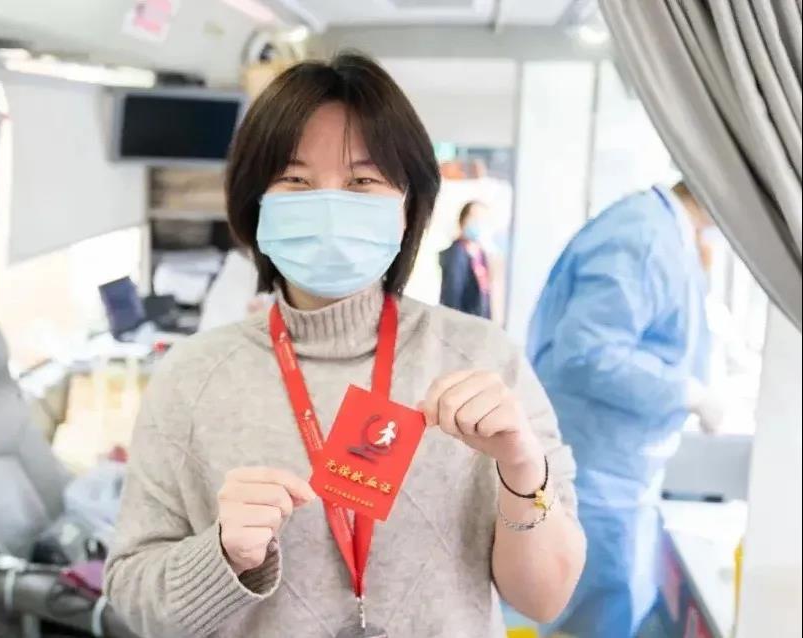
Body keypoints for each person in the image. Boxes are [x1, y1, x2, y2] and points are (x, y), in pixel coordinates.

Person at [105, 53, 585, 638]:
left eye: (362, 181)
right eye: (296, 180)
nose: (330, 204)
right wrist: (223, 556)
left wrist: (522, 468)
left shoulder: (484, 358)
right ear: (256, 202)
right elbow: (132, 598)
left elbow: (545, 599)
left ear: (408, 206)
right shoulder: (191, 376)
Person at [527, 182, 720, 638]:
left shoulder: (658, 230)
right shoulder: (643, 236)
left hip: (614, 472)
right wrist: (687, 392)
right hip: (598, 475)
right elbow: (588, 354)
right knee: (588, 618)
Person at [440, 201, 494, 319]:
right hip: (461, 323)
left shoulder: (481, 255)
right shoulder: (456, 253)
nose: (478, 222)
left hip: (479, 322)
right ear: (462, 220)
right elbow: (452, 297)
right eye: (474, 218)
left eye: (482, 219)